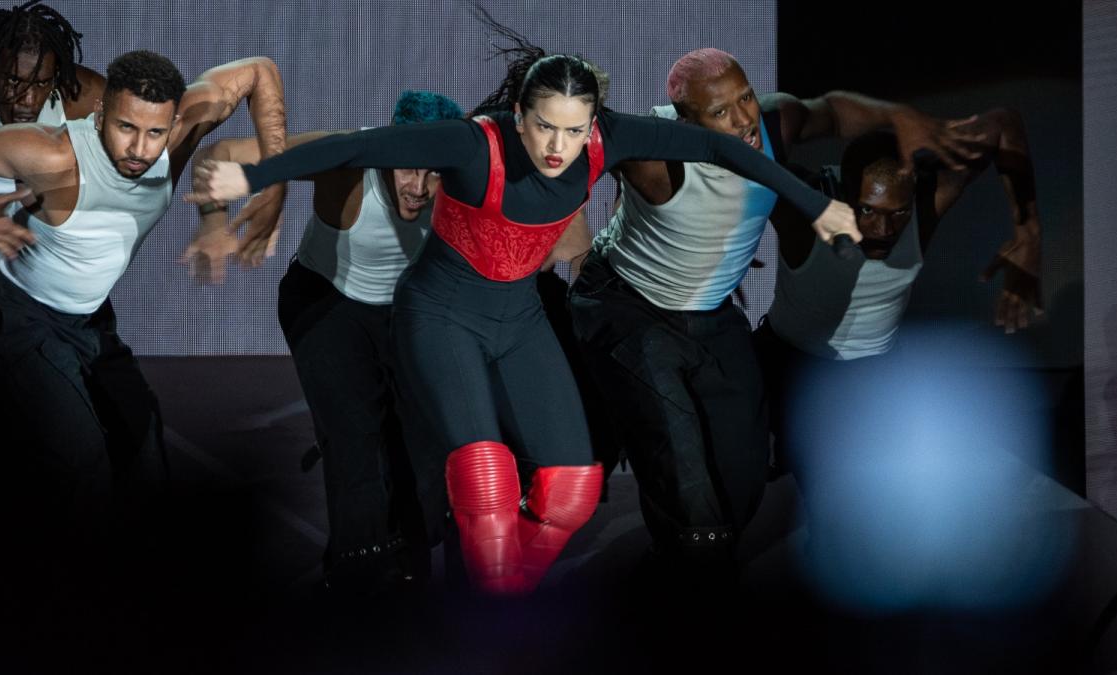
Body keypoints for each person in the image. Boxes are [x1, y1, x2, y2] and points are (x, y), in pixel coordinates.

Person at [187, 34, 857, 596]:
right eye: (544, 127)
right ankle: (490, 620)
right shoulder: (470, 145)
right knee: (486, 484)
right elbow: (351, 150)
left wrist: (814, 203)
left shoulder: (607, 140)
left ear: (594, 123)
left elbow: (723, 148)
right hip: (442, 312)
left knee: (570, 492)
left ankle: (501, 599)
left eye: (574, 129)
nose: (558, 147)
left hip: (519, 322)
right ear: (519, 116)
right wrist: (250, 178)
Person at [567, 47, 984, 588]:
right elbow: (574, 151)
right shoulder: (654, 154)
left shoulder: (767, 123)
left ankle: (695, 556)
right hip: (631, 306)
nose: (743, 119)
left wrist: (895, 116)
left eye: (744, 97)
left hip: (710, 315)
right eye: (721, 112)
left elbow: (831, 110)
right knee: (687, 478)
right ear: (686, 120)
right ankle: (684, 585)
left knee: (742, 476)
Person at [0, 49, 286, 671]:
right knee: (81, 465)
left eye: (155, 131)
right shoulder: (53, 153)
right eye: (125, 128)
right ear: (102, 116)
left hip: (87, 321)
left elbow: (258, 71)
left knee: (143, 452)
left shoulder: (178, 136)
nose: (140, 149)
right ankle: (53, 630)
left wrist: (276, 176)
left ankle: (135, 612)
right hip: (13, 317)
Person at [191, 90, 466, 598]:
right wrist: (211, 224)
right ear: (386, 149)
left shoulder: (464, 170)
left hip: (406, 307)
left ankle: (410, 555)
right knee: (354, 435)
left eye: (434, 173)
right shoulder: (345, 161)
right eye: (409, 169)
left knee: (425, 443)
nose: (421, 188)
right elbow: (220, 155)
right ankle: (357, 571)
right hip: (326, 301)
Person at [755, 114, 1041, 489]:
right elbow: (745, 138)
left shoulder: (926, 205)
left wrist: (1029, 233)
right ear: (843, 193)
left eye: (898, 213)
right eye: (868, 210)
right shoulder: (805, 209)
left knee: (861, 492)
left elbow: (1004, 124)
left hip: (872, 370)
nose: (884, 231)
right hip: (790, 363)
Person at [0, 0, 104, 592]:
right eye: (12, 80)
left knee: (98, 436)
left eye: (38, 83)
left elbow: (151, 130)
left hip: (31, 303)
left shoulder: (76, 104)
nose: (25, 97)